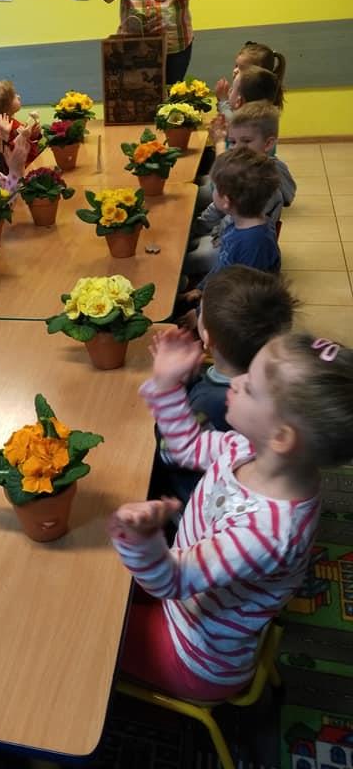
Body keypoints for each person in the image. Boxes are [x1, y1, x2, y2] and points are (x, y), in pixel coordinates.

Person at [110, 329, 353, 701]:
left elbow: (172, 580)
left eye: (250, 387)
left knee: (88, 631)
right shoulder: (250, 449)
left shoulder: (267, 534)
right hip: (184, 589)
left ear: (281, 437)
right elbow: (189, 447)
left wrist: (139, 540)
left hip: (193, 654)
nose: (235, 381)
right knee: (98, 583)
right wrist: (167, 384)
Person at [150, 266, 297, 505]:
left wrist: (168, 385)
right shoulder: (275, 384)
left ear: (206, 337)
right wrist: (189, 378)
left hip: (193, 496)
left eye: (200, 312)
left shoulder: (213, 402)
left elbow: (171, 452)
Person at [186, 102, 295, 278]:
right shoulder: (240, 168)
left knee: (186, 261)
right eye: (233, 142)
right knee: (185, 242)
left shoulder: (265, 182)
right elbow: (218, 206)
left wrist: (211, 233)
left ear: (268, 143)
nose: (236, 148)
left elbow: (233, 220)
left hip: (239, 244)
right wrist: (198, 227)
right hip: (228, 233)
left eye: (246, 141)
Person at [0, 75, 42, 166]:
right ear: (4, 108)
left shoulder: (12, 122)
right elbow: (12, 157)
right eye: (14, 96)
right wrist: (24, 138)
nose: (18, 96)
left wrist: (33, 136)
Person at [215, 40, 286, 118]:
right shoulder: (237, 90)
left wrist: (223, 101)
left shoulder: (255, 97)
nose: (235, 71)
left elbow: (236, 123)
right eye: (236, 66)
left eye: (242, 68)